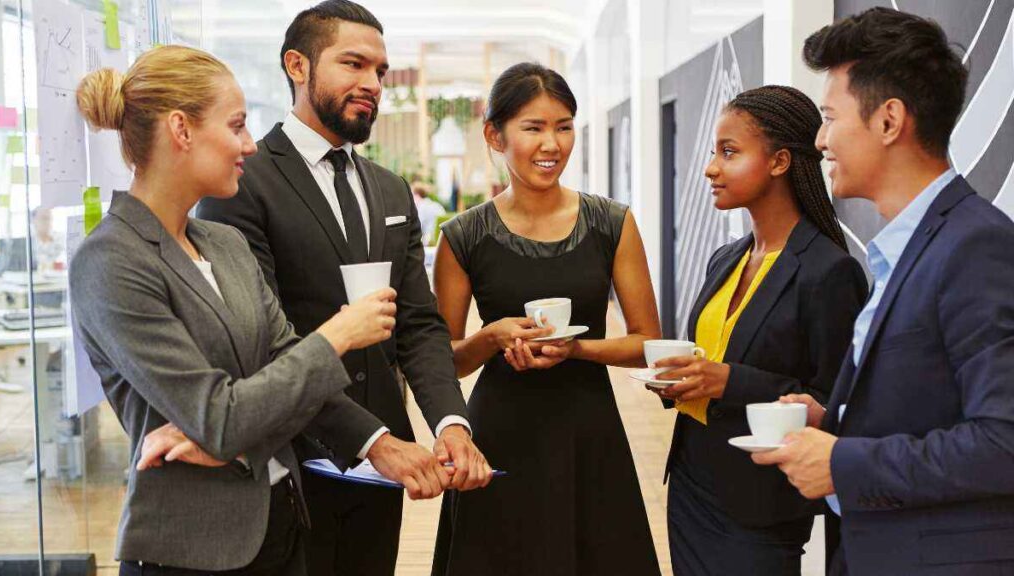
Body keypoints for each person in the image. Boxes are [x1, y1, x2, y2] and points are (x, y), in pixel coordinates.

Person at [70, 45, 399, 575]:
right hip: (191, 552)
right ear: (181, 129)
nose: (249, 145)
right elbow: (221, 415)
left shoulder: (224, 243)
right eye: (238, 125)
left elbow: (277, 374)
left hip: (281, 524)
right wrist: (337, 334)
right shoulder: (110, 261)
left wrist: (235, 438)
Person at [195, 2, 491, 575]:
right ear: (297, 66)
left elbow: (420, 326)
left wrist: (450, 424)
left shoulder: (390, 190)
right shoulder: (241, 184)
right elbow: (258, 344)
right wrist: (371, 440)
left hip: (385, 471)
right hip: (292, 464)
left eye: (380, 71)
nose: (372, 83)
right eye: (353, 64)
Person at [752, 8, 1014, 575]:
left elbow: (1003, 444)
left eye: (829, 117)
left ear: (890, 120)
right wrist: (835, 421)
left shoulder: (976, 247)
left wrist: (844, 462)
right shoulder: (904, 246)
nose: (819, 141)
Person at [430, 62, 663, 576]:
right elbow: (443, 362)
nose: (551, 144)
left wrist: (576, 349)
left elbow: (648, 341)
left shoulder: (612, 222)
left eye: (563, 126)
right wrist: (490, 337)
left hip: (589, 428)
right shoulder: (463, 236)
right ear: (495, 135)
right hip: (499, 431)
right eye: (533, 128)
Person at [648, 85, 867, 575]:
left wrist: (728, 381)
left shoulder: (829, 271)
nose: (711, 168)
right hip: (691, 481)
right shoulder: (725, 259)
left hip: (762, 502)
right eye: (714, 152)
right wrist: (679, 381)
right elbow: (709, 361)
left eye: (729, 152)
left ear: (780, 161)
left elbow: (836, 402)